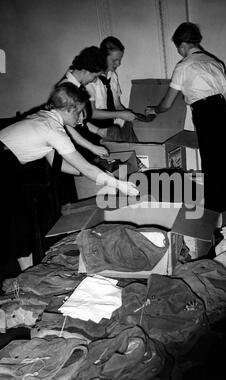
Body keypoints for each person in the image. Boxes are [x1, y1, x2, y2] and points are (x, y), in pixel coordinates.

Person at [0, 83, 138, 272]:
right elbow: (85, 167)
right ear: (68, 110)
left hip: (7, 164)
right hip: (4, 165)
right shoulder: (53, 130)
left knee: (20, 227)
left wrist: (91, 173)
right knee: (17, 226)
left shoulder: (46, 118)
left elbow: (56, 163)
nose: (82, 117)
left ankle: (28, 272)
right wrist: (120, 185)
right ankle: (25, 275)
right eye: (79, 112)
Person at [145, 22, 226, 213]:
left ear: (183, 45)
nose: (180, 53)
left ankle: (214, 211)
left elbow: (167, 104)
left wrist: (155, 110)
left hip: (206, 114)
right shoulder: (215, 62)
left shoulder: (184, 66)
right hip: (225, 114)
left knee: (212, 163)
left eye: (179, 49)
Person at [86, 36, 138, 142]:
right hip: (93, 129)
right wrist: (120, 114)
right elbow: (92, 113)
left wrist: (129, 115)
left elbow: (117, 105)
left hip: (109, 126)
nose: (118, 64)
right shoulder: (90, 78)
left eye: (120, 59)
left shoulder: (113, 76)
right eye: (115, 60)